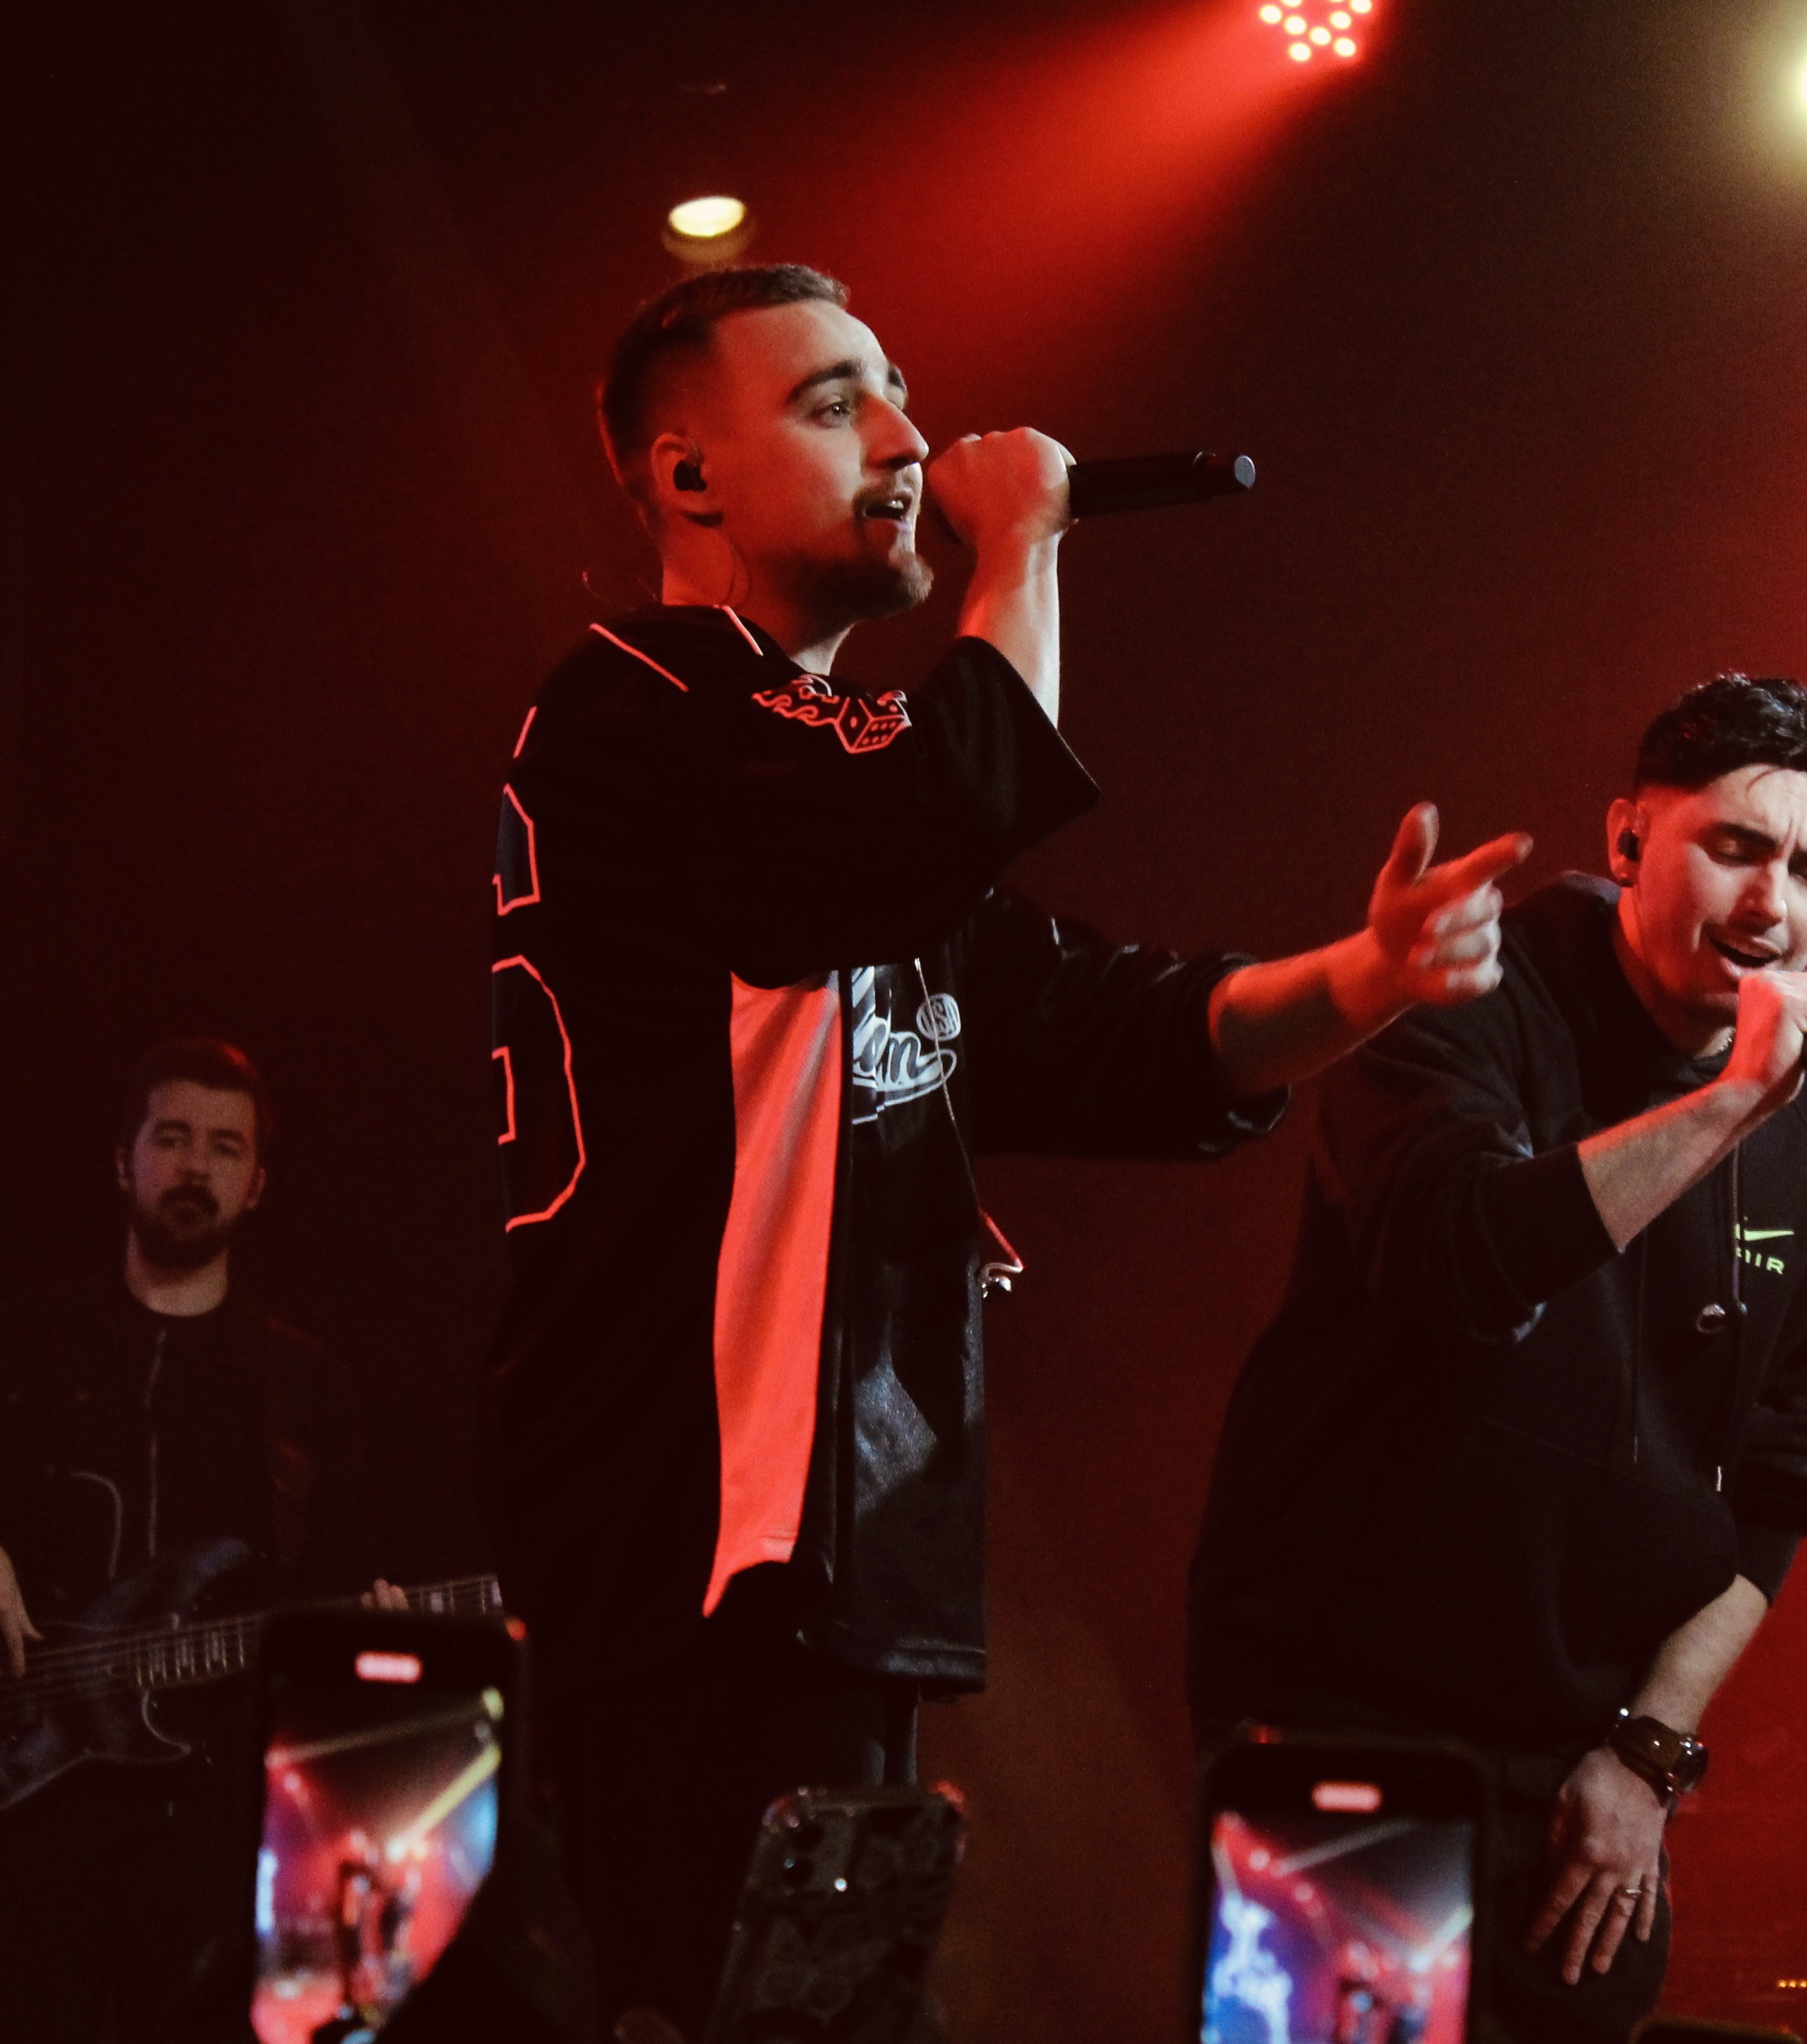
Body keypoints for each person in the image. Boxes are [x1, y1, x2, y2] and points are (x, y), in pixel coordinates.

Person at [481, 262, 1528, 2038]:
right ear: (688, 476)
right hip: (695, 1542)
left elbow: (1123, 1036)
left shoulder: (834, 806)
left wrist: (1367, 975)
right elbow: (928, 811)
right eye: (835, 403)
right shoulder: (640, 707)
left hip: (825, 1559)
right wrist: (1020, 549)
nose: (906, 440)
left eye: (899, 393)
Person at [1183, 673, 1807, 2041]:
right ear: (1629, 837)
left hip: (1589, 1751)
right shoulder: (1466, 995)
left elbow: (1791, 1476)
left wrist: (1648, 1752)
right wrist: (1727, 1106)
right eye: (1736, 848)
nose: (1772, 906)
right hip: (1349, 1705)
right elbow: (1459, 1265)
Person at [0, 1037, 397, 2044]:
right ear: (123, 1162)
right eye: (171, 1139)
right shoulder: (19, 1345)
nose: (194, 1167)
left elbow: (341, 1578)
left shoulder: (302, 1388)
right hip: (30, 1804)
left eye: (223, 1147)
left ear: (256, 1185)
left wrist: (372, 1635)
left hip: (215, 1822)